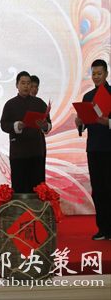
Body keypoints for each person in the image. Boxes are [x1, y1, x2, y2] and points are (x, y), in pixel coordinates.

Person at [75, 59, 111, 240]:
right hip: (94, 148)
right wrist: (80, 123)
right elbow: (85, 124)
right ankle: (103, 228)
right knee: (98, 189)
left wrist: (109, 123)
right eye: (94, 74)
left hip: (109, 148)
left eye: (99, 73)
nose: (96, 77)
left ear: (106, 74)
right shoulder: (88, 97)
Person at [0, 71, 51, 193]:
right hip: (18, 154)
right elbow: (4, 125)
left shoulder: (39, 103)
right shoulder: (10, 104)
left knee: (37, 190)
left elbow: (48, 125)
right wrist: (16, 125)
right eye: (23, 83)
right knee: (19, 189)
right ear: (17, 85)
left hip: (36, 153)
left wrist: (45, 126)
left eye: (28, 83)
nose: (26, 86)